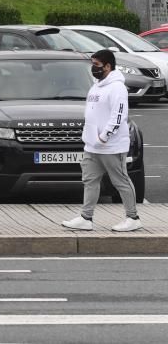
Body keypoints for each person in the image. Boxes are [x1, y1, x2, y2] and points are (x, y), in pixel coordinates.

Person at [62, 49, 141, 233]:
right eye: (92, 64)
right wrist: (90, 139)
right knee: (90, 180)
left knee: (120, 180)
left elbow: (119, 115)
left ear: (108, 66)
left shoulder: (117, 87)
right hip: (92, 146)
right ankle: (86, 218)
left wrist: (103, 137)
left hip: (111, 147)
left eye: (96, 65)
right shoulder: (96, 85)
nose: (93, 68)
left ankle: (133, 217)